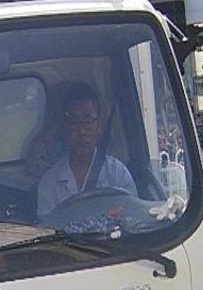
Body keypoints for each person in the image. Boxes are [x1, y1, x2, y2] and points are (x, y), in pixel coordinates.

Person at [37, 82, 137, 217]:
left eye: (88, 119)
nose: (82, 131)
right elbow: (46, 226)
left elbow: (133, 216)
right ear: (65, 127)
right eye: (74, 121)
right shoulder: (49, 183)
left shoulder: (117, 173)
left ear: (99, 126)